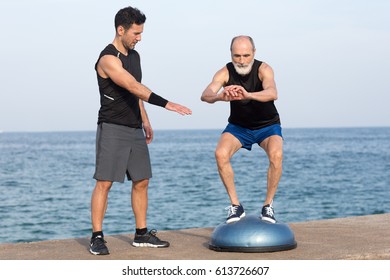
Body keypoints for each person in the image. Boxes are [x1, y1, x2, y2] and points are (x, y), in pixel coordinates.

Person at [90, 6, 192, 255]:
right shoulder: (108, 59)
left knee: (142, 180)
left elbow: (134, 94)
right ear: (120, 29)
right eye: (136, 33)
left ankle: (141, 234)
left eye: (141, 32)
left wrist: (145, 120)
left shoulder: (134, 56)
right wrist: (166, 103)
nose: (140, 37)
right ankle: (97, 237)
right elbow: (132, 85)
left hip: (134, 127)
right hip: (112, 127)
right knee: (105, 183)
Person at [201, 35, 283, 224]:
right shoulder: (226, 71)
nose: (242, 60)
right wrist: (220, 97)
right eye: (237, 56)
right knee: (220, 154)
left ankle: (268, 206)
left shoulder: (264, 69)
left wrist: (248, 95)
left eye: (246, 55)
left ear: (254, 53)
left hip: (267, 126)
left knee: (276, 155)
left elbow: (273, 92)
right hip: (239, 127)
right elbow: (205, 95)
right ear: (231, 54)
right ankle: (236, 206)